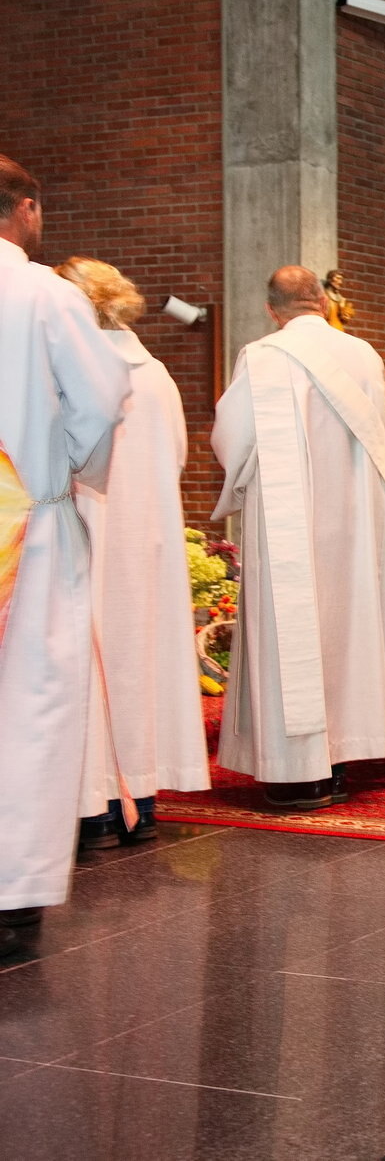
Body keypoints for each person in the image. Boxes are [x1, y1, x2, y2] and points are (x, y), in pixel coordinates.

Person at [211, 266, 385, 807]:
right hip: (352, 521)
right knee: (347, 632)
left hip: (290, 521)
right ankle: (341, 758)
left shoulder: (263, 356)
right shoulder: (364, 356)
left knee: (293, 634)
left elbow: (232, 439)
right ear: (324, 303)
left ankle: (296, 773)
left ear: (271, 309)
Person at [0, 154, 132, 957]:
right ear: (27, 210)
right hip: (28, 531)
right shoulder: (44, 294)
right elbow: (99, 399)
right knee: (30, 706)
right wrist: (70, 475)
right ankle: (11, 893)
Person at [55, 258, 208, 850]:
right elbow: (175, 455)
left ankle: (91, 803)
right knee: (140, 661)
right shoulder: (157, 374)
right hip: (148, 538)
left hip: (88, 527)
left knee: (88, 662)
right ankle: (139, 795)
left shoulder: (76, 374)